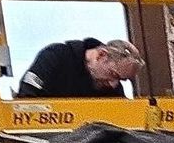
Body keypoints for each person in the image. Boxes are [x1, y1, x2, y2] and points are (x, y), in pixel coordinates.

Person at [15, 37, 144, 99]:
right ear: (101, 55)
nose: (113, 84)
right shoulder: (56, 56)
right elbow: (26, 98)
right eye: (113, 74)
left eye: (121, 80)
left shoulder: (113, 90)